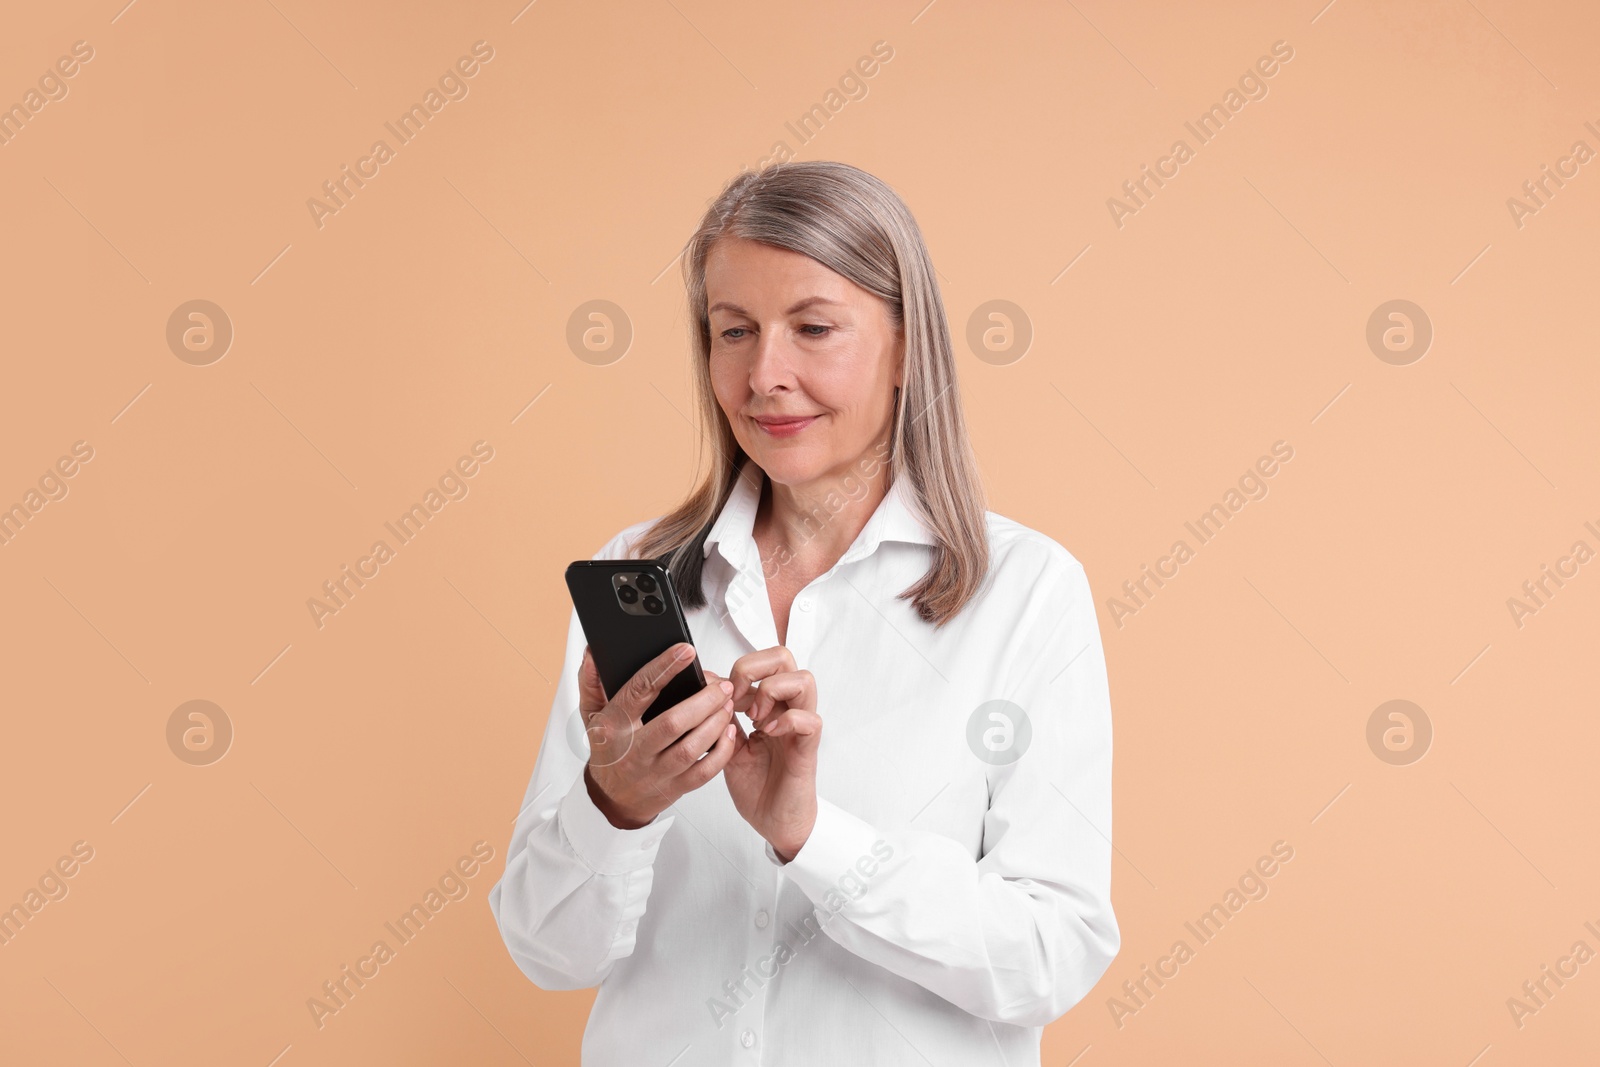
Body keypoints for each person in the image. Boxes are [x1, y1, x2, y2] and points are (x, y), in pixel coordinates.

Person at [490, 160, 1119, 1065]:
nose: (764, 375)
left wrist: (811, 835)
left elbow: (1049, 957)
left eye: (814, 328)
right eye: (732, 331)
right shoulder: (642, 577)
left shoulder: (1025, 593)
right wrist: (614, 808)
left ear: (907, 348)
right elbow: (545, 953)